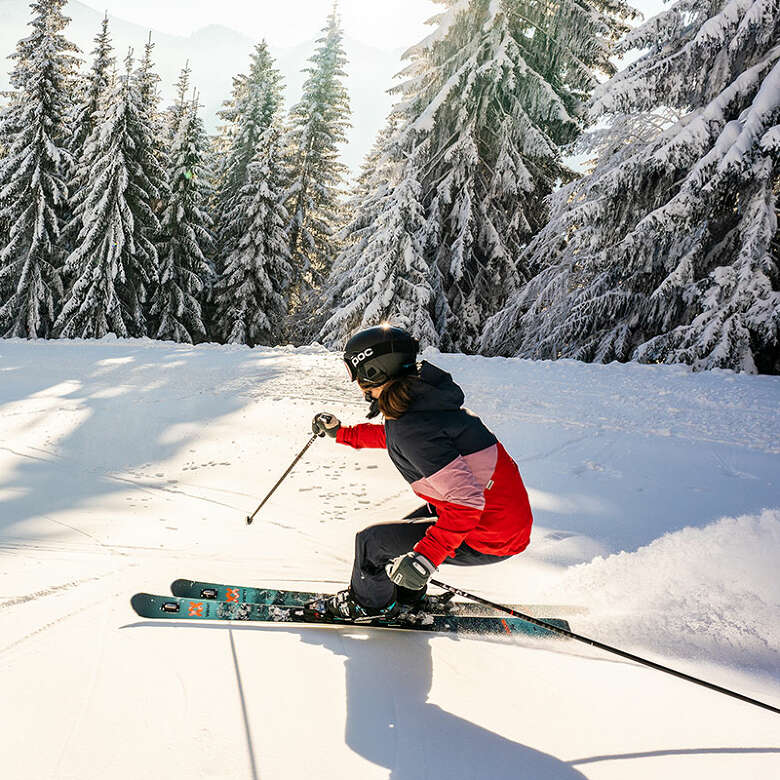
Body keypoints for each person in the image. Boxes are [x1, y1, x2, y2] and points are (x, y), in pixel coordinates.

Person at [310, 324, 533, 622]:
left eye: (358, 374)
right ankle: (405, 596)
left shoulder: (411, 426)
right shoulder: (420, 404)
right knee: (400, 534)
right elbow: (397, 438)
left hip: (489, 534)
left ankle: (369, 605)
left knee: (371, 543)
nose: (358, 385)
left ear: (376, 372)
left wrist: (426, 558)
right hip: (502, 521)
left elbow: (467, 502)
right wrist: (343, 434)